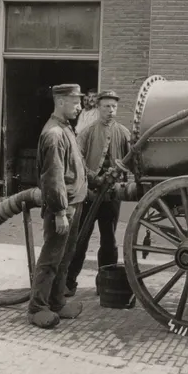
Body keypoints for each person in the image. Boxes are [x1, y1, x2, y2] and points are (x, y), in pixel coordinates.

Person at [27, 83, 88, 329]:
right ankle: (37, 308)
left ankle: (57, 301)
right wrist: (60, 212)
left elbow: (75, 166)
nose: (80, 107)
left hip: (74, 203)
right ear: (61, 102)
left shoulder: (66, 129)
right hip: (63, 209)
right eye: (75, 102)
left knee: (64, 256)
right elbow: (53, 177)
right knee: (51, 258)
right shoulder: (53, 134)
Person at [65, 89, 131, 296]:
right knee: (80, 238)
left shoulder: (123, 133)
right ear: (98, 108)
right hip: (90, 195)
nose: (110, 111)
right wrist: (94, 177)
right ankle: (68, 283)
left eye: (113, 107)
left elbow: (131, 160)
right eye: (106, 107)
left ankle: (105, 283)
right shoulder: (87, 132)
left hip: (111, 196)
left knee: (109, 240)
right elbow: (77, 160)